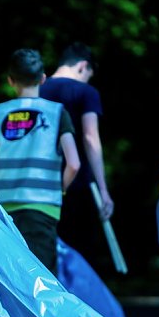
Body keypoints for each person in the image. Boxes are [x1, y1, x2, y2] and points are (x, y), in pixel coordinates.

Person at [0, 48, 80, 274]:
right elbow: (74, 163)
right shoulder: (56, 112)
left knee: (12, 277)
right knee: (43, 281)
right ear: (43, 79)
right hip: (43, 205)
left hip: (5, 209)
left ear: (10, 81)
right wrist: (61, 188)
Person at [39, 42, 114, 269]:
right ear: (83, 66)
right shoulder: (86, 92)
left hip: (41, 184)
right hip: (79, 184)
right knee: (79, 256)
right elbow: (91, 138)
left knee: (46, 254)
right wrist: (103, 189)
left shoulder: (37, 90)